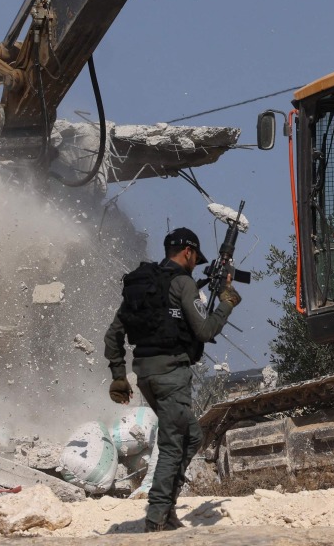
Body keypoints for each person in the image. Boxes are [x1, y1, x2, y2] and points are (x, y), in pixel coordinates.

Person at [103, 227, 242, 532]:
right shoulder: (183, 284)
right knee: (172, 443)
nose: (195, 263)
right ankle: (156, 520)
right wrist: (227, 301)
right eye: (195, 257)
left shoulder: (145, 286)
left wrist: (118, 376)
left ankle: (166, 511)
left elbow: (114, 334)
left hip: (145, 374)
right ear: (188, 253)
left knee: (191, 436)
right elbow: (205, 331)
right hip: (171, 375)